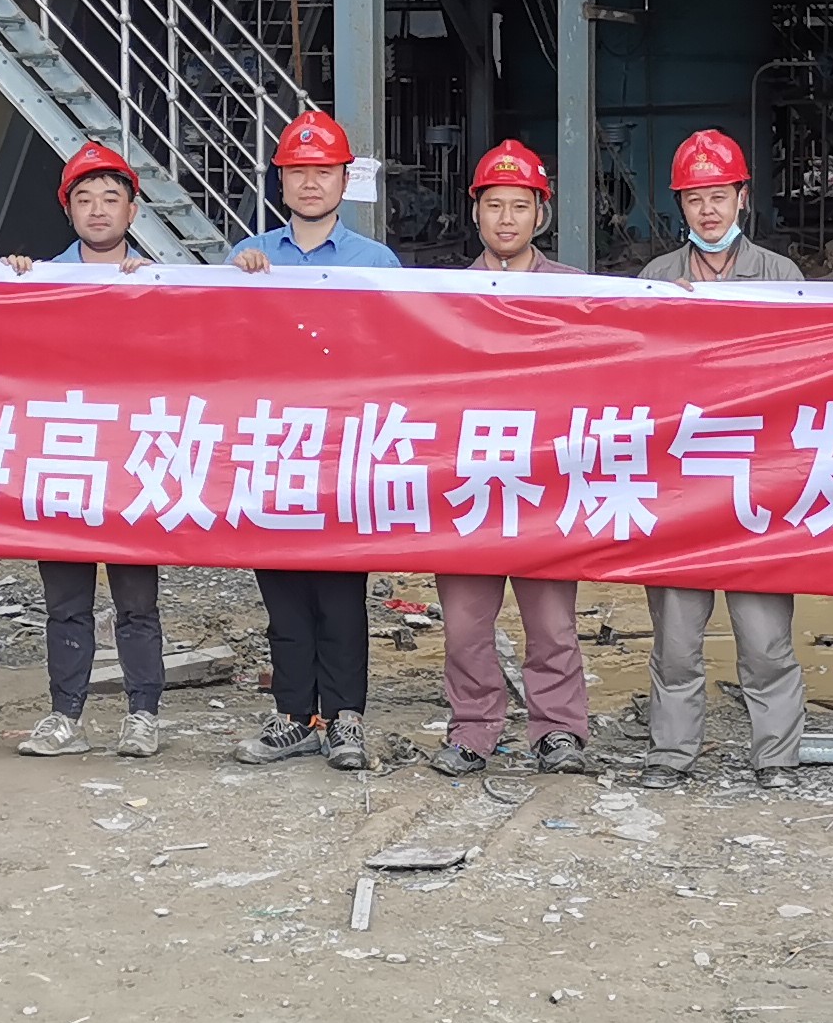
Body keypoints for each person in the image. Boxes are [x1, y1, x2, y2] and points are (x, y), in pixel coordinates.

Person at [634, 128, 807, 789]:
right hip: (680, 485)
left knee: (765, 640)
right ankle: (671, 752)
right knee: (676, 640)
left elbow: (810, 373)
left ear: (743, 197)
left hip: (757, 487)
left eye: (719, 196)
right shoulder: (656, 281)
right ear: (680, 204)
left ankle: (776, 757)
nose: (708, 211)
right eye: (694, 198)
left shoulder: (782, 278)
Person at [229, 110, 400, 770]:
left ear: (343, 180)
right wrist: (234, 285)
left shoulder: (376, 263)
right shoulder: (249, 258)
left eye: (322, 172)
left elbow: (400, 354)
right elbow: (216, 347)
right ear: (280, 181)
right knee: (283, 593)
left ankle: (346, 717)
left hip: (344, 452)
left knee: (341, 594)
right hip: (272, 450)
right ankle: (294, 715)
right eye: (298, 172)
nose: (309, 183)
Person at [427, 139, 596, 781]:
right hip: (469, 481)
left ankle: (558, 730)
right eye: (494, 205)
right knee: (465, 625)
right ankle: (473, 730)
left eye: (519, 206)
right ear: (476, 212)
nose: (506, 218)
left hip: (546, 483)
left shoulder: (577, 294)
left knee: (551, 621)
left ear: (540, 214)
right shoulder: (443, 297)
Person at [11, 141, 168, 761]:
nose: (98, 210)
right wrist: (15, 281)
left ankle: (142, 714)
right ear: (67, 210)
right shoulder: (38, 281)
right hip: (65, 461)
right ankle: (65, 717)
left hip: (129, 468)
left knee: (137, 602)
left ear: (133, 211)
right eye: (84, 199)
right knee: (66, 604)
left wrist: (152, 293)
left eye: (110, 198)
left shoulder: (161, 283)